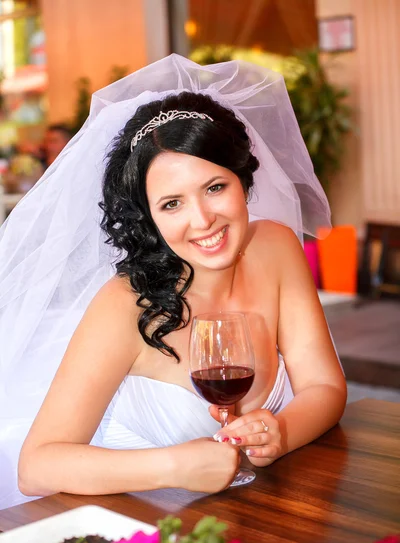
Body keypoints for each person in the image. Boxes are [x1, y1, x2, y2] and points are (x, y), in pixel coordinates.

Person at [0, 55, 346, 510]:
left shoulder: (277, 248)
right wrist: (173, 466)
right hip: (144, 531)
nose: (202, 220)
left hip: (257, 519)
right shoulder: (126, 306)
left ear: (243, 181)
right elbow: (37, 466)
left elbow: (325, 386)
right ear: (148, 216)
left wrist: (280, 432)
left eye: (215, 188)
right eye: (171, 204)